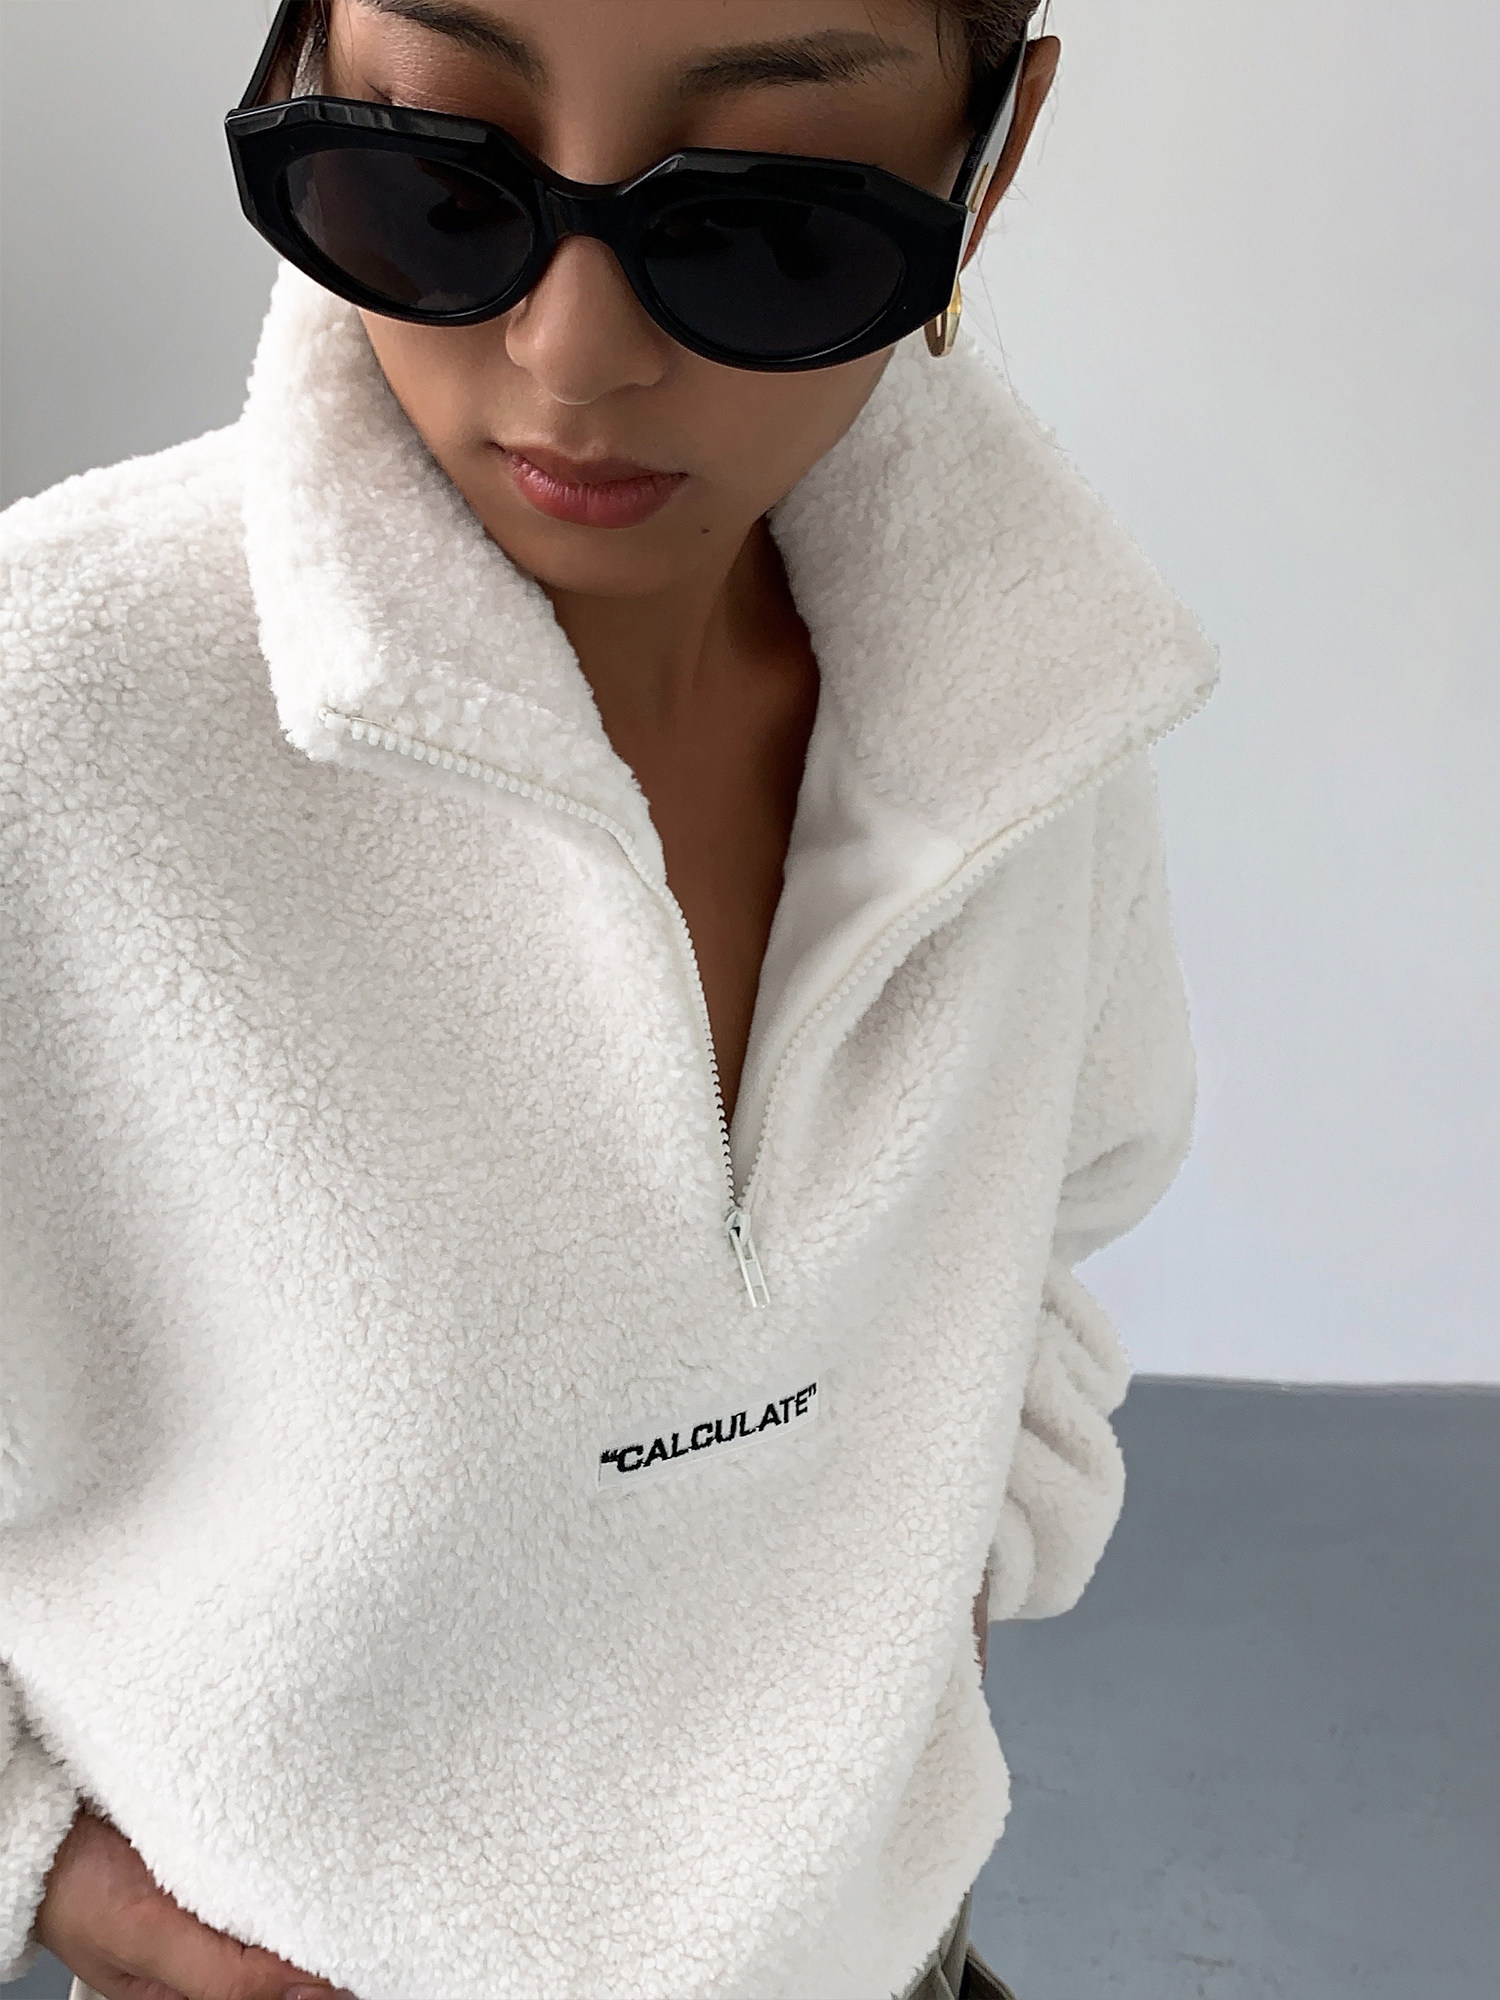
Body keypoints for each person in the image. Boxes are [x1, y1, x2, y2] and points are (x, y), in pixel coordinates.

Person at [0, 1, 1218, 1996]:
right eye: (429, 172)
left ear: (986, 163)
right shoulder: (46, 730)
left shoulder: (1036, 698)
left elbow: (1048, 1227)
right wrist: (71, 1879)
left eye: (772, 224)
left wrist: (919, 1630)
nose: (572, 357)